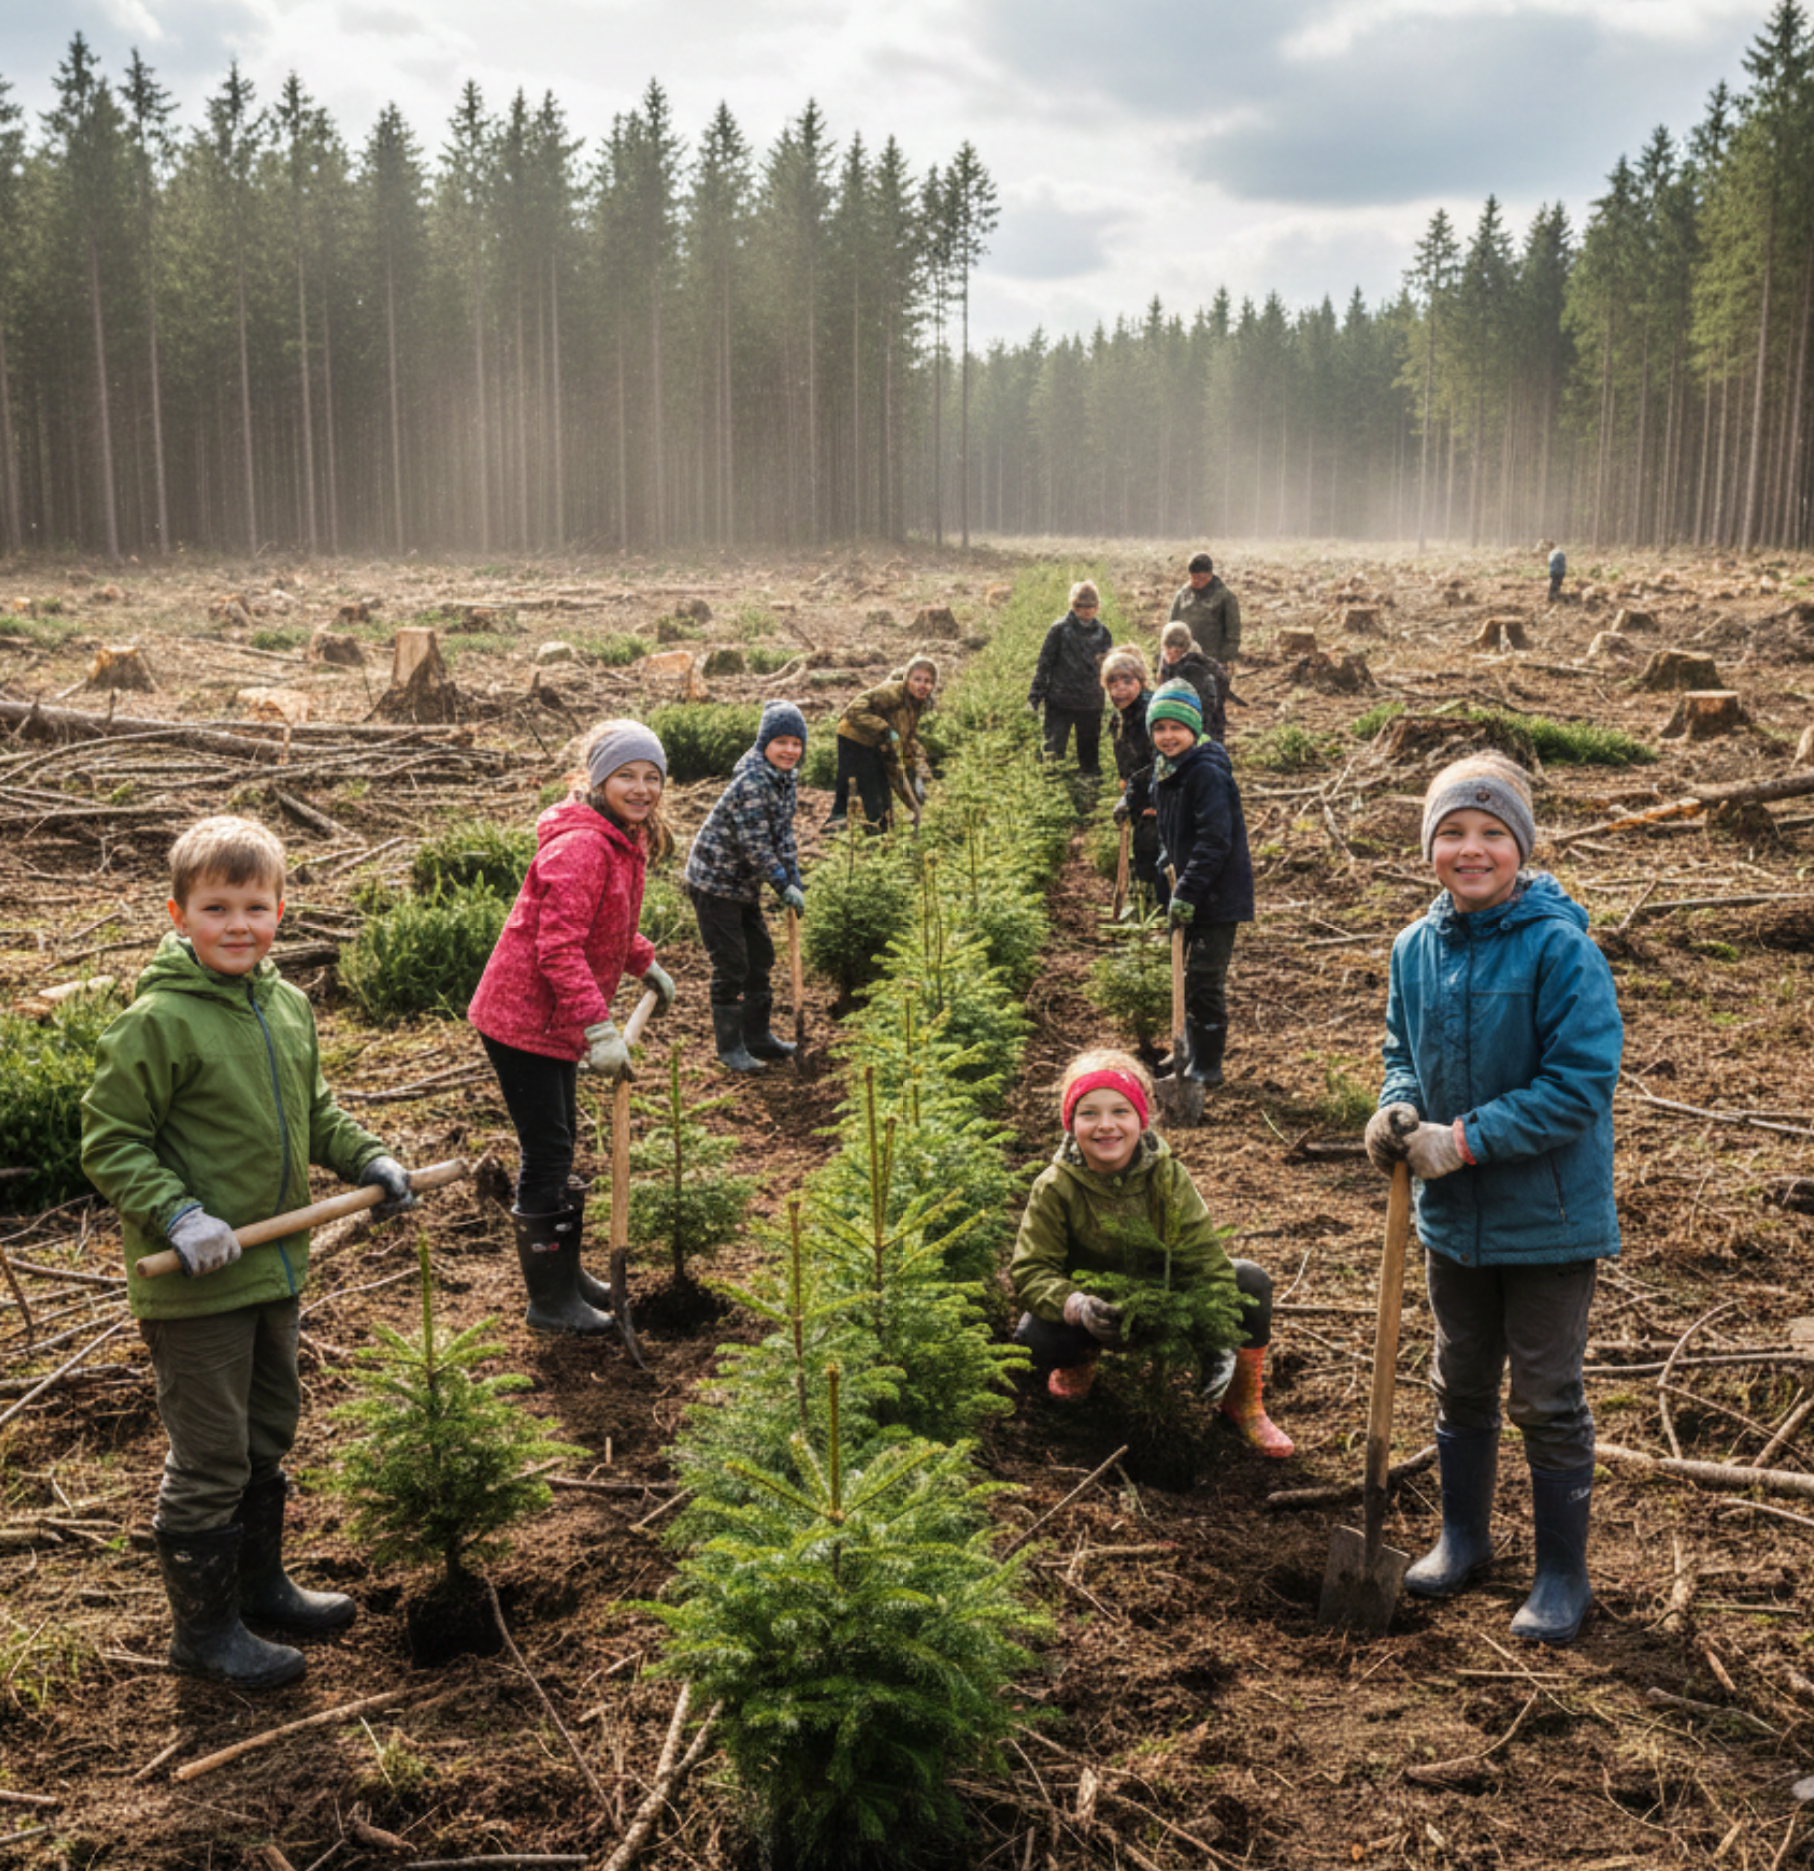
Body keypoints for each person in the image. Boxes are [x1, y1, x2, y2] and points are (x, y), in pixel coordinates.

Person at [81, 815, 416, 1689]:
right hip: (196, 1286)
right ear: (179, 912)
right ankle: (204, 1632)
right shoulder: (157, 1021)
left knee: (269, 1429)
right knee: (210, 1455)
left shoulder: (287, 1004)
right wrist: (177, 1212)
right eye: (217, 906)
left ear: (281, 913)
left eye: (256, 906)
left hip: (274, 1267)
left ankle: (260, 1583)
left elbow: (317, 1108)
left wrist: (368, 1156)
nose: (238, 924)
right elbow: (111, 1139)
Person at [1364, 752, 1622, 1645]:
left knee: (1546, 1396)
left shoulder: (1561, 949)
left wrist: (1464, 1138)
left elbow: (1581, 1081)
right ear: (1429, 845)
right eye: (1452, 834)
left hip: (1549, 1219)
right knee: (1459, 1376)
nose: (1471, 851)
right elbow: (1402, 1046)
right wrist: (1398, 1108)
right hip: (1450, 1221)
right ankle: (1463, 1536)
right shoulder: (1413, 949)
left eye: (1491, 834)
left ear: (1521, 846)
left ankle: (1562, 1574)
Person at [469, 720, 678, 1335]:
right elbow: (558, 949)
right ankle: (548, 1301)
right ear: (597, 780)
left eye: (651, 777)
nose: (640, 789)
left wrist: (645, 962)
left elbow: (604, 925)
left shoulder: (621, 837)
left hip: (553, 1019)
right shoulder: (584, 846)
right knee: (548, 1151)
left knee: (559, 1147)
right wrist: (599, 1028)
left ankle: (565, 1276)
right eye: (626, 777)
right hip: (521, 1019)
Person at [1009, 1049, 1292, 1455]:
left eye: (1120, 1111)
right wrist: (1076, 1304)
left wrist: (1217, 1336)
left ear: (1140, 1119)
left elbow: (1201, 1255)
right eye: (1089, 1113)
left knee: (1248, 1281)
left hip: (1164, 1301)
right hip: (1096, 1312)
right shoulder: (1055, 1186)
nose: (1106, 1126)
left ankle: (1241, 1402)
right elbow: (1032, 1270)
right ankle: (1077, 1364)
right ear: (1070, 1123)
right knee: (1034, 1336)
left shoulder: (1167, 1177)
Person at [685, 700, 808, 1074]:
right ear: (764, 744)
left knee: (761, 957)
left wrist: (795, 877)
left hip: (743, 886)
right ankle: (731, 1046)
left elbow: (782, 834)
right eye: (781, 742)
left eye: (796, 743)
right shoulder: (752, 783)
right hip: (714, 884)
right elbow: (757, 845)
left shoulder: (785, 779)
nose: (789, 750)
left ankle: (758, 1037)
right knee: (733, 963)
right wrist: (781, 883)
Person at [1147, 678, 1254, 1089]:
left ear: (1194, 730)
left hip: (1216, 895)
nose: (1167, 736)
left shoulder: (1206, 773)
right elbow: (1171, 828)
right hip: (1188, 891)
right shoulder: (1166, 772)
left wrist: (1187, 889)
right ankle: (1186, 1051)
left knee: (1204, 981)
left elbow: (1215, 840)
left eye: (1176, 728)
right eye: (1159, 728)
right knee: (1186, 978)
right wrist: (1165, 855)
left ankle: (1208, 1065)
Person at [830, 655, 938, 834]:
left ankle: (878, 829)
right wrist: (885, 729)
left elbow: (907, 740)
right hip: (854, 736)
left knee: (884, 798)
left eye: (928, 681)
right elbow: (853, 710)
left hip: (878, 742)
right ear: (907, 679)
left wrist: (921, 770)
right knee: (872, 793)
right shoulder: (892, 693)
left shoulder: (916, 705)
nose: (922, 685)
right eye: (917, 679)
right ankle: (863, 834)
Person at [1102, 645, 1168, 913]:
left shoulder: (1151, 713)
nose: (1120, 688)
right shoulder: (1118, 720)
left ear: (1141, 681)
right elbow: (1127, 762)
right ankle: (1146, 907)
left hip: (1163, 794)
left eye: (1127, 681)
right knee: (1143, 849)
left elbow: (1160, 762)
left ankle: (1165, 911)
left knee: (1159, 849)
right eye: (1113, 683)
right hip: (1141, 794)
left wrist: (1151, 799)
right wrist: (1125, 790)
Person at [1028, 579, 1111, 777]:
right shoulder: (1059, 630)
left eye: (1091, 606)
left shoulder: (1103, 634)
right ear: (1073, 606)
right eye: (1080, 606)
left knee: (1089, 757)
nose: (1086, 611)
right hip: (1060, 702)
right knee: (1053, 753)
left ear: (1097, 607)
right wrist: (1034, 698)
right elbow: (1044, 664)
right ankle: (1051, 792)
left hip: (1091, 703)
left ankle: (1090, 794)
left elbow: (1108, 670)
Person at [1157, 621, 1229, 745]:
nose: (1172, 653)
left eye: (1177, 650)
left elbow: (1211, 703)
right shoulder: (1164, 661)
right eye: (1168, 648)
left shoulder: (1196, 667)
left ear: (1185, 648)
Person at [1168, 551, 1241, 667]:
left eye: (1201, 578)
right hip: (1184, 659)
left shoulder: (1225, 598)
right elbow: (1171, 627)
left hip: (1212, 661)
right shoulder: (1182, 595)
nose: (1196, 581)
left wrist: (1224, 660)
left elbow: (1233, 635)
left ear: (1210, 575)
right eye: (1193, 577)